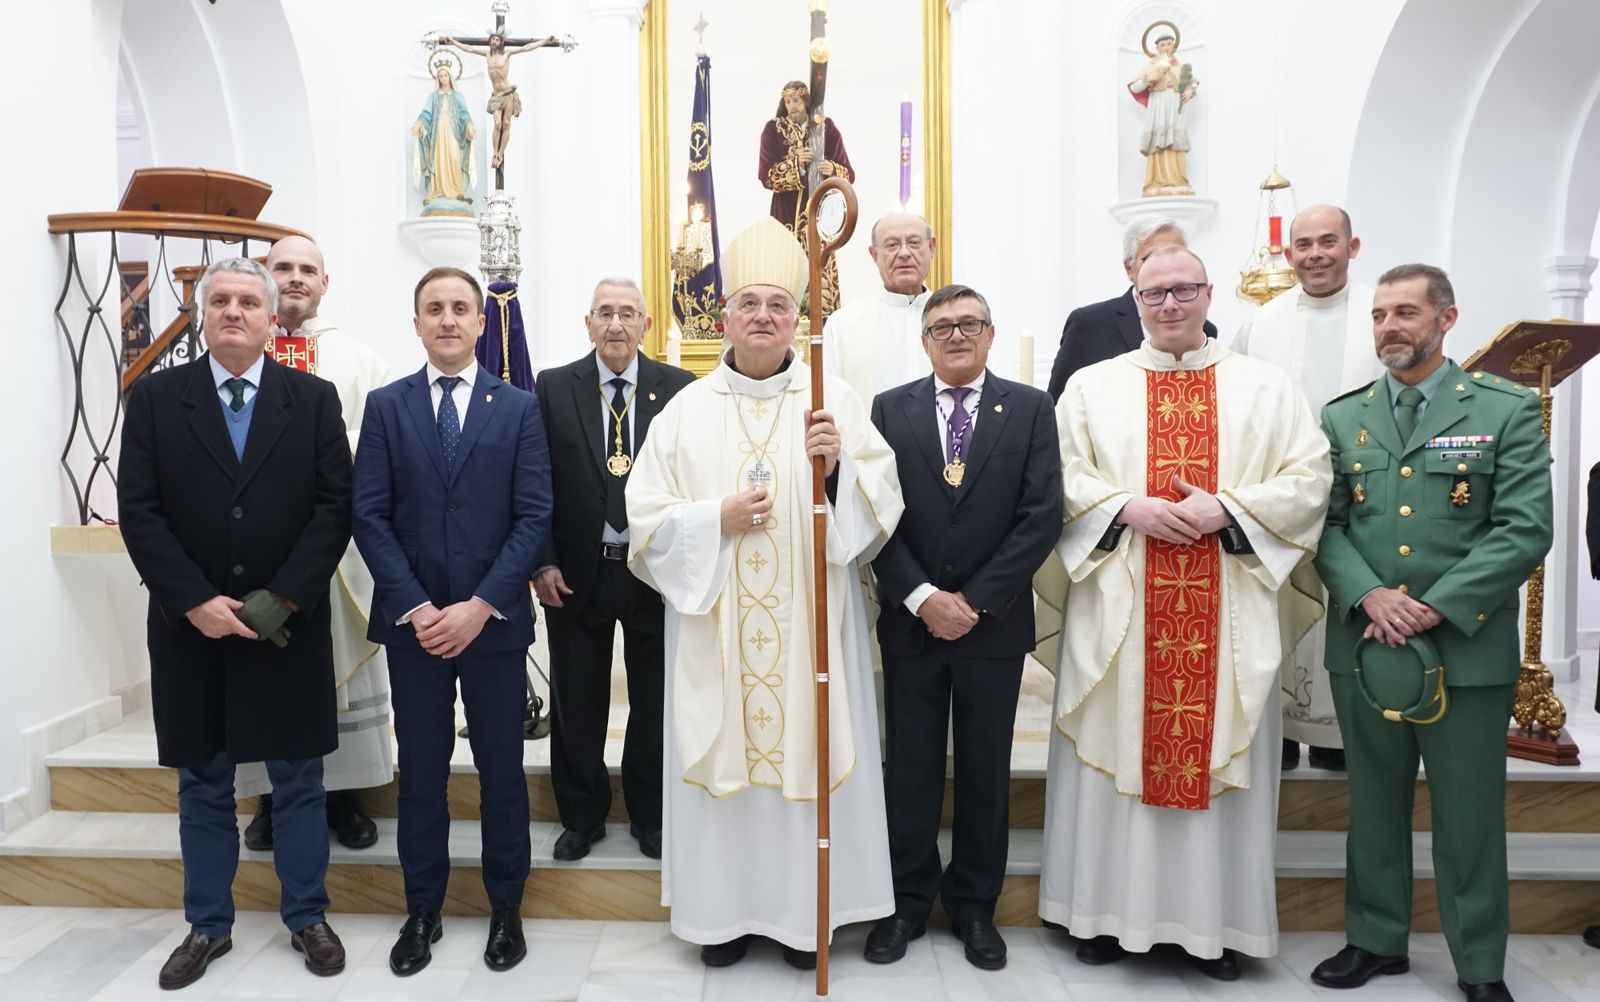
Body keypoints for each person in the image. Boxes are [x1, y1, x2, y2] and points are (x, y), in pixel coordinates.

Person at [1037, 245, 1331, 979]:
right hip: (1121, 609)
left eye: (1183, 290)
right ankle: (1100, 917)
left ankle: (1216, 928)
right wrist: (1123, 506)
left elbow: (1308, 478)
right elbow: (1056, 476)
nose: (1169, 305)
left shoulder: (1266, 388)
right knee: (1113, 757)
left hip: (1227, 607)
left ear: (1208, 294)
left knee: (1213, 761)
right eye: (1154, 293)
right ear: (1133, 299)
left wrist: (1227, 508)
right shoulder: (1090, 388)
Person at [626, 216, 904, 970]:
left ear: (797, 320)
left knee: (806, 761)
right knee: (727, 761)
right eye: (748, 303)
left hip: (811, 635)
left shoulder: (831, 399)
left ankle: (799, 918)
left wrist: (838, 465)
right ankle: (722, 917)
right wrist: (712, 519)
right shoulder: (684, 410)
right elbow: (643, 520)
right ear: (724, 316)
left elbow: (879, 506)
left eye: (778, 306)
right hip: (714, 639)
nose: (762, 317)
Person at [1310, 264, 1552, 1002]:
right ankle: (1376, 940)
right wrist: (1369, 595)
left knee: (1469, 814)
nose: (1390, 327)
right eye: (1381, 314)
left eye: (1406, 313)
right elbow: (1325, 524)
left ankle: (1479, 963)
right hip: (1368, 644)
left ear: (1446, 320)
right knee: (1373, 804)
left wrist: (1436, 605)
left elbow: (1524, 528)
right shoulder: (1342, 416)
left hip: (1464, 650)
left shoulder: (1504, 409)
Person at [117, 257, 352, 989]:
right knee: (203, 780)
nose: (233, 311)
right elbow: (141, 513)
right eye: (219, 299)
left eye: (249, 301)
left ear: (271, 314)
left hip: (286, 626)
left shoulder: (312, 400)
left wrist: (282, 595)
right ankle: (207, 925)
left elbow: (334, 507)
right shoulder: (155, 399)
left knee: (299, 780)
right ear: (199, 311)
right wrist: (193, 600)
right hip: (193, 630)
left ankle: (307, 915)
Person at [351, 267, 553, 976]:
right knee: (422, 777)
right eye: (433, 308)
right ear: (416, 323)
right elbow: (368, 515)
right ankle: (423, 911)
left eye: (459, 308)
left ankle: (506, 910)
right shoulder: (386, 406)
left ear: (477, 323)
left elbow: (533, 517)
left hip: (492, 626)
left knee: (501, 773)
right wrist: (419, 607)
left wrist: (478, 606)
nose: (446, 318)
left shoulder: (519, 407)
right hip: (415, 629)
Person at [865, 284, 1061, 971]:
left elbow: (1042, 515)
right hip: (912, 626)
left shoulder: (1032, 409)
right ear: (924, 341)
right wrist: (921, 596)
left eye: (968, 323)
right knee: (909, 770)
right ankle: (907, 902)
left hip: (993, 628)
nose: (955, 334)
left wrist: (973, 602)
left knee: (985, 771)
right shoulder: (890, 410)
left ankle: (975, 908)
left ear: (990, 333)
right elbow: (873, 515)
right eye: (941, 326)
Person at [239, 235, 394, 854]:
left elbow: (383, 445)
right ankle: (269, 799)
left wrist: (322, 451)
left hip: (336, 551)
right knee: (261, 672)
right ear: (265, 277)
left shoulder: (358, 360)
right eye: (284, 267)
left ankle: (344, 795)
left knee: (337, 673)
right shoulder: (236, 355)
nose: (296, 278)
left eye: (308, 269)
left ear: (326, 283)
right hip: (255, 548)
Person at [533, 278, 695, 862]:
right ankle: (581, 815)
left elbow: (689, 478)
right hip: (576, 570)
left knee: (655, 697)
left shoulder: (678, 388)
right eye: (605, 313)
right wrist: (542, 560)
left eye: (628, 314)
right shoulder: (553, 387)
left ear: (647, 325)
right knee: (578, 697)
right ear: (588, 322)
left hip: (653, 571)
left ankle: (650, 816)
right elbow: (537, 480)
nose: (616, 325)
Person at [1233, 204, 1383, 772]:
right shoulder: (1261, 324)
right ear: (1288, 253)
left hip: (1363, 497)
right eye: (1303, 244)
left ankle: (1337, 736)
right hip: (1282, 495)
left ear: (1353, 245)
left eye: (1328, 242)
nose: (1315, 254)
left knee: (1346, 609)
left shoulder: (1382, 313)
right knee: (1279, 613)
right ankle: (1283, 734)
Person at [1045, 217, 1217, 401]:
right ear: (1129, 268)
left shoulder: (1205, 330)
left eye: (1175, 253)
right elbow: (1059, 404)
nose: (1164, 264)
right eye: (1150, 257)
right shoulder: (1089, 324)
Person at [758, 80, 854, 317]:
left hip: (820, 219)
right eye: (788, 101)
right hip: (785, 218)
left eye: (797, 100)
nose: (792, 106)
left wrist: (831, 168)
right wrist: (795, 164)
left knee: (820, 276)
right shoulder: (773, 130)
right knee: (785, 274)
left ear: (806, 102)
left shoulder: (826, 128)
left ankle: (822, 327)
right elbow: (766, 176)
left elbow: (848, 174)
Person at [823, 212, 937, 403]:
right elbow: (830, 400)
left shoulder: (954, 321)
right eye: (892, 245)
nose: (904, 253)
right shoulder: (842, 325)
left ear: (931, 247)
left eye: (914, 243)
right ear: (875, 254)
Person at [440, 31, 561, 172]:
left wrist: (545, 40)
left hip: (508, 93)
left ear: (501, 42)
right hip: (497, 96)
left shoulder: (507, 54)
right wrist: (453, 41)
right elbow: (469, 48)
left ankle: (500, 154)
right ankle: (494, 151)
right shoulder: (487, 55)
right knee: (497, 123)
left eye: (497, 39)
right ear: (490, 41)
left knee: (506, 123)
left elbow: (526, 48)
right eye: (493, 39)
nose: (495, 42)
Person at [1127, 29, 1199, 196]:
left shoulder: (1179, 66)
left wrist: (1190, 91)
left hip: (1175, 105)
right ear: (1157, 48)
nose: (1166, 47)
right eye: (1162, 45)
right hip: (1158, 105)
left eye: (1169, 43)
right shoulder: (1151, 65)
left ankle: (1178, 179)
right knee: (1159, 139)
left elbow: (1192, 83)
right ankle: (1156, 181)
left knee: (1175, 139)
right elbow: (1135, 86)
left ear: (1173, 46)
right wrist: (1147, 80)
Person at [410, 58, 476, 216]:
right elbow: (426, 114)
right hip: (439, 134)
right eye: (440, 76)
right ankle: (439, 190)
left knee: (454, 158)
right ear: (438, 78)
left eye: (446, 75)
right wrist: (419, 123)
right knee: (439, 160)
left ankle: (455, 191)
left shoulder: (457, 96)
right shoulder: (434, 96)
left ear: (450, 77)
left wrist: (469, 126)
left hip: (453, 133)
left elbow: (464, 114)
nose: (443, 78)